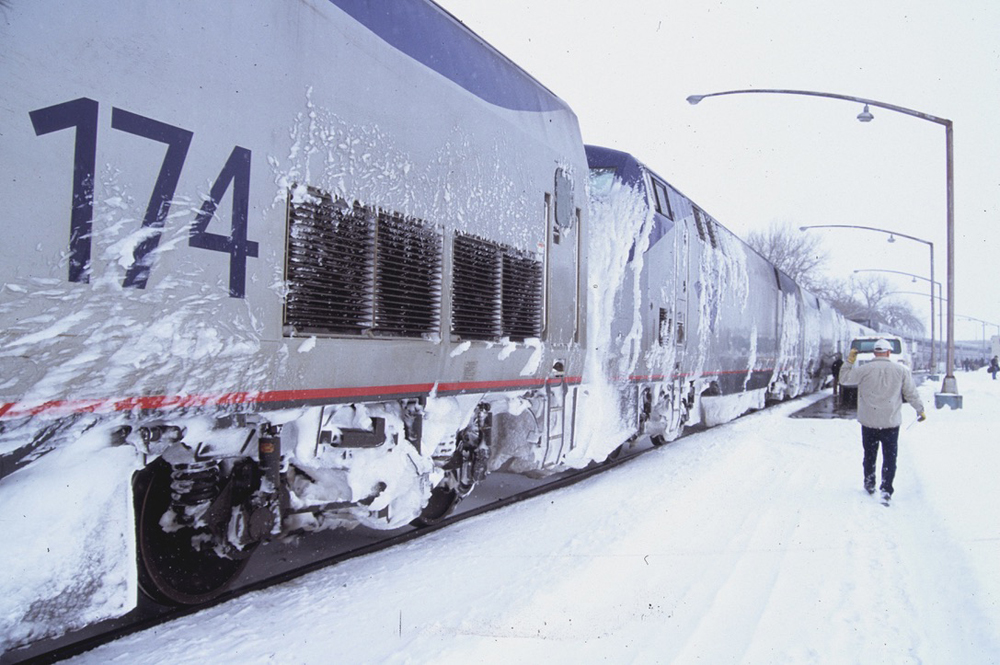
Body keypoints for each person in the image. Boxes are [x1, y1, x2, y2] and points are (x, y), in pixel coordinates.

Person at [839, 338, 926, 504]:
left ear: (874, 352)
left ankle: (869, 483)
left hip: (869, 422)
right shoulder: (901, 371)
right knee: (890, 457)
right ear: (888, 352)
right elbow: (911, 394)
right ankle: (886, 489)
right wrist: (920, 410)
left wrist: (849, 362)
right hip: (890, 423)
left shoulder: (864, 370)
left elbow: (844, 379)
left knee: (870, 455)